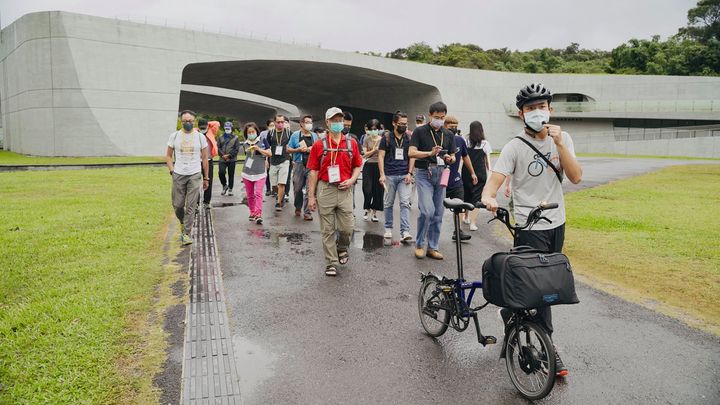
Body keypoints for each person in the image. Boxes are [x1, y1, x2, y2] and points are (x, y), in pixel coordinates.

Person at [481, 83, 583, 377]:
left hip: (556, 223)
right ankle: (549, 347)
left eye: (542, 107)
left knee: (550, 284)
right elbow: (496, 178)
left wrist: (561, 144)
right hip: (529, 226)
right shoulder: (514, 146)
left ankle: (511, 313)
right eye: (530, 108)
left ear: (550, 109)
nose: (537, 113)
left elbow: (575, 177)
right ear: (521, 114)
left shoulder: (563, 140)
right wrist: (489, 196)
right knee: (540, 289)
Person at [307, 107, 363, 276]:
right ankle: (331, 262)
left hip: (345, 189)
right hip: (326, 189)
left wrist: (352, 180)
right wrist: (311, 196)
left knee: (348, 227)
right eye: (334, 120)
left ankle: (342, 247)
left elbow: (358, 165)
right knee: (327, 229)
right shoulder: (319, 145)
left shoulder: (351, 143)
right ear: (327, 122)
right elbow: (313, 172)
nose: (338, 123)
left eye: (340, 120)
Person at [409, 101, 456, 260]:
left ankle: (433, 247)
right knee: (427, 210)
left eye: (442, 117)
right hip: (424, 173)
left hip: (442, 173)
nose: (440, 120)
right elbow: (411, 153)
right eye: (437, 117)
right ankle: (420, 244)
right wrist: (429, 153)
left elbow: (454, 155)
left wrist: (450, 158)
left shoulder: (448, 134)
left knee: (438, 213)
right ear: (430, 115)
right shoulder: (420, 131)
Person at [165, 110, 209, 245]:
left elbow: (205, 158)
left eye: (190, 121)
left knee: (191, 206)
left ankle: (186, 234)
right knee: (178, 205)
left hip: (194, 174)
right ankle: (183, 223)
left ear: (194, 121)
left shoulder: (200, 137)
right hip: (178, 174)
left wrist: (206, 177)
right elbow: (168, 156)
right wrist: (172, 170)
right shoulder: (175, 136)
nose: (187, 123)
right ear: (181, 122)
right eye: (185, 121)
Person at [378, 111, 414, 241]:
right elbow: (381, 156)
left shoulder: (409, 138)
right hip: (389, 175)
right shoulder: (386, 138)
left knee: (405, 203)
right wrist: (382, 174)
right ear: (394, 123)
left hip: (404, 175)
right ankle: (388, 228)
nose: (404, 126)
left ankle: (405, 231)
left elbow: (412, 156)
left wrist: (410, 173)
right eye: (401, 124)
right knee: (388, 203)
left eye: (405, 124)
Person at [443, 116, 477, 241]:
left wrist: (472, 173)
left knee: (459, 204)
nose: (454, 129)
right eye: (451, 126)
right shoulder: (439, 139)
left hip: (455, 179)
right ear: (444, 126)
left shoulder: (460, 140)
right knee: (434, 210)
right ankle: (430, 231)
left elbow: (465, 157)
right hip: (439, 180)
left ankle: (458, 231)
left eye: (455, 126)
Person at [288, 114, 319, 220]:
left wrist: (312, 149)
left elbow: (318, 149)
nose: (309, 124)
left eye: (311, 122)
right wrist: (298, 150)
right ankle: (298, 206)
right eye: (307, 122)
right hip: (299, 163)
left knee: (310, 188)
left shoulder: (314, 136)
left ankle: (307, 212)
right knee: (297, 188)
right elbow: (288, 149)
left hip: (311, 164)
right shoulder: (295, 135)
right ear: (301, 123)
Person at [240, 122, 272, 224]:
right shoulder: (245, 144)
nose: (251, 134)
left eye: (253, 131)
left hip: (260, 172)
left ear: (256, 132)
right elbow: (248, 157)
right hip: (247, 172)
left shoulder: (263, 141)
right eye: (249, 132)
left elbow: (269, 153)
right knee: (250, 194)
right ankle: (252, 212)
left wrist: (259, 149)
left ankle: (258, 214)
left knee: (258, 193)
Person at [463, 121, 492, 230]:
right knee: (476, 198)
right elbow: (488, 161)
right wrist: (490, 173)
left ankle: (466, 217)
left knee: (466, 195)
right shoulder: (485, 144)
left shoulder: (465, 141)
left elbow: (463, 157)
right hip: (480, 173)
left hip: (466, 172)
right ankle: (473, 223)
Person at [266, 114, 292, 211]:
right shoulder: (271, 133)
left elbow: (293, 145)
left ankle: (279, 203)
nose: (280, 124)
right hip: (273, 160)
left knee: (282, 183)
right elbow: (267, 147)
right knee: (274, 185)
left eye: (282, 122)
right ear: (274, 123)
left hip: (285, 160)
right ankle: (281, 194)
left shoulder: (289, 133)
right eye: (278, 122)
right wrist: (266, 160)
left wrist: (292, 158)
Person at [361, 119, 384, 222]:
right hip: (368, 166)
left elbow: (384, 155)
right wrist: (374, 150)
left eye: (375, 129)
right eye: (371, 129)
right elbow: (364, 155)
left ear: (379, 129)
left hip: (379, 166)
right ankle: (367, 208)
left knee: (378, 190)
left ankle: (374, 212)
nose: (373, 131)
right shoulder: (366, 139)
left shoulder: (383, 140)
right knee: (367, 189)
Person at [198, 118, 218, 210]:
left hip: (209, 160)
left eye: (204, 127)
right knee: (195, 183)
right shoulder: (195, 133)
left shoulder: (211, 132)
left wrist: (207, 124)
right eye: (200, 127)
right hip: (197, 161)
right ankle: (196, 202)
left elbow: (216, 123)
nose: (203, 129)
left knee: (208, 181)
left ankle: (206, 202)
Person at [217, 121, 240, 196]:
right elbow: (218, 147)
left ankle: (230, 189)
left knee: (231, 174)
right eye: (226, 128)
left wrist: (229, 156)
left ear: (231, 128)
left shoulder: (236, 137)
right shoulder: (220, 137)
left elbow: (236, 149)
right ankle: (224, 185)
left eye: (228, 128)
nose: (227, 130)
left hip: (232, 159)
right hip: (222, 158)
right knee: (221, 172)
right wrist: (223, 155)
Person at [260, 119, 275, 197]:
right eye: (271, 125)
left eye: (273, 125)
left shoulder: (277, 133)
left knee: (274, 172)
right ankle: (268, 189)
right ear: (268, 126)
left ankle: (274, 189)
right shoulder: (263, 134)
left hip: (275, 155)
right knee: (267, 172)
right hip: (267, 154)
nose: (272, 127)